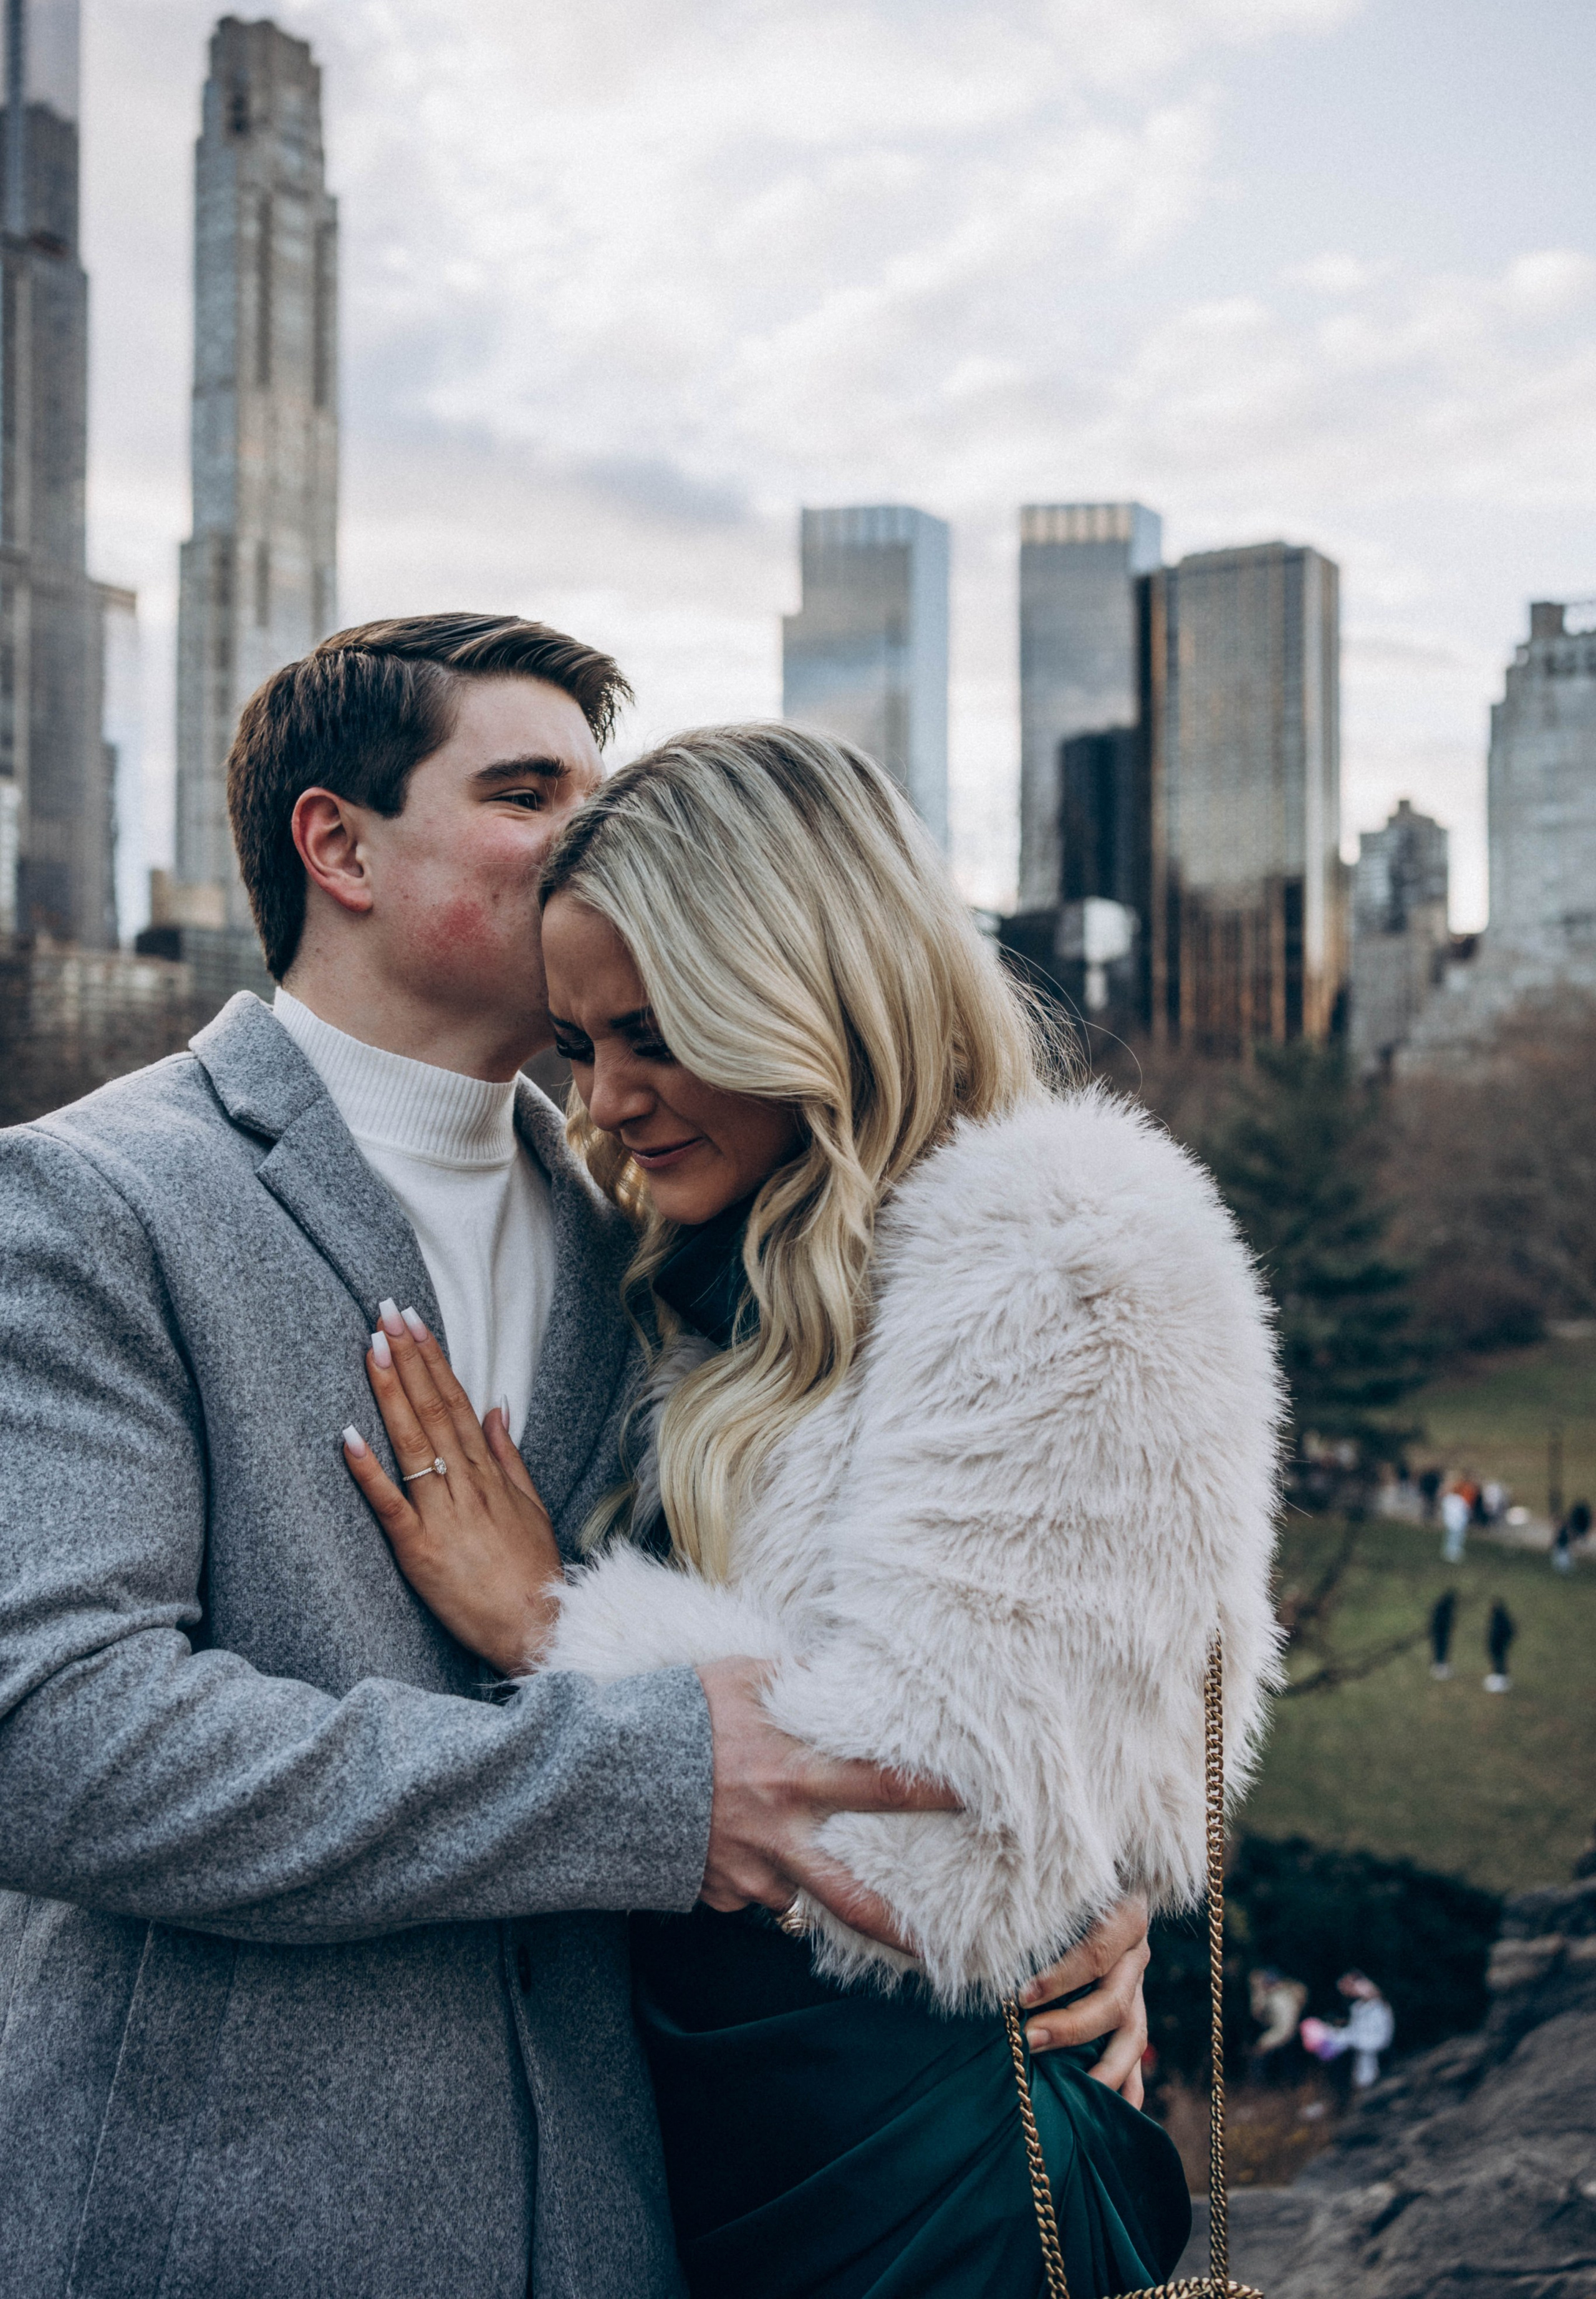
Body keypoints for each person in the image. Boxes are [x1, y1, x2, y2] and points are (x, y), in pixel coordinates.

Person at [0, 620, 1150, 2299]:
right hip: (231, 2227)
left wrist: (1074, 1892)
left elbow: (950, 1607)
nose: (588, 833)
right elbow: (55, 1740)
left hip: (637, 2226)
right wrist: (647, 1783)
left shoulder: (669, 1214)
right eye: (528, 790)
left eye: (596, 791)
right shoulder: (92, 1199)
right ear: (339, 848)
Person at [340, 724, 1286, 2298]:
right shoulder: (719, 1265)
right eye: (580, 1046)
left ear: (805, 981)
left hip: (919, 2163)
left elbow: (952, 1855)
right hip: (709, 2117)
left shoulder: (1069, 1253)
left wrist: (545, 1620)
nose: (608, 1101)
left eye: (652, 1031)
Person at [1249, 1968, 1309, 2082]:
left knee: (1260, 2048)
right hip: (1288, 2031)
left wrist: (1259, 1992)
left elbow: (1257, 2014)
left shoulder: (1278, 1996)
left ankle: (1257, 2082)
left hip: (1286, 2031)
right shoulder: (1283, 1992)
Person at [1485, 1597, 1517, 1691]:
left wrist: (1501, 1642)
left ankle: (1500, 1682)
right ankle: (1500, 1679)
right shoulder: (1499, 1617)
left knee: (1499, 1661)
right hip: (1498, 1645)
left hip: (1498, 1645)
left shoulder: (1500, 1618)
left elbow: (1503, 1632)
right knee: (1498, 1661)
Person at [1430, 1588, 1458, 1679]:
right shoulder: (1444, 1607)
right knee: (1440, 1649)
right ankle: (1439, 1668)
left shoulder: (1443, 1607)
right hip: (1440, 1632)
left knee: (1442, 1649)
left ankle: (1441, 1666)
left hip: (1442, 1632)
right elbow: (1441, 1621)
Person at [1441, 1482, 1470, 1563]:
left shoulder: (1449, 1499)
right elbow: (1465, 1510)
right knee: (1455, 1538)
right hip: (1457, 1522)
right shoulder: (1459, 1500)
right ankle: (1452, 1553)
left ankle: (1450, 1552)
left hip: (1452, 1521)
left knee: (1452, 1537)